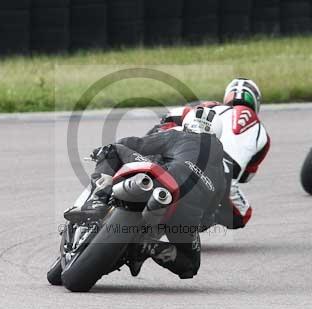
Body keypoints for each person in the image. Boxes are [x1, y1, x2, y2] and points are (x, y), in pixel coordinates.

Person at [65, 107, 227, 279]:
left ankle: (97, 200)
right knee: (190, 264)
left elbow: (137, 144)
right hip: (186, 215)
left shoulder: (180, 135)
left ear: (188, 124)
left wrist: (100, 151)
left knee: (111, 149)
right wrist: (192, 225)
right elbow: (209, 216)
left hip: (163, 182)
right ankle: (147, 246)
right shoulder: (221, 173)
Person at [151, 78, 270, 229]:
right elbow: (245, 176)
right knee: (243, 214)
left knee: (149, 144)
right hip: (220, 176)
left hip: (184, 150)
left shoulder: (212, 106)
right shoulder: (263, 135)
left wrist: (160, 130)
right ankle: (198, 220)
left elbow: (173, 116)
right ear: (256, 102)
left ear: (228, 96)